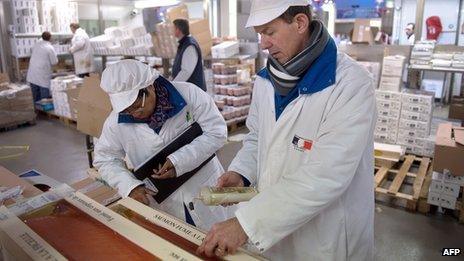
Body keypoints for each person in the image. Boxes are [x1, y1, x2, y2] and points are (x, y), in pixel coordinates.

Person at [197, 1, 376, 260]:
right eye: (260, 34)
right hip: (275, 230)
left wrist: (247, 224)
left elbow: (326, 174)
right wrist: (241, 172)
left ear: (300, 23)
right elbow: (257, 137)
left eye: (269, 32)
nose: (263, 44)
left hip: (326, 236)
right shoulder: (265, 80)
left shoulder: (351, 85)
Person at [93, 59, 230, 230]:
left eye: (136, 106)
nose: (134, 114)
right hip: (165, 202)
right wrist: (130, 186)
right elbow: (105, 159)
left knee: (222, 243)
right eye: (126, 110)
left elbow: (217, 133)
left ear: (149, 87)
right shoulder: (115, 122)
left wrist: (179, 161)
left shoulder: (190, 94)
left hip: (204, 186)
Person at [172, 19, 207, 91]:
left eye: (173, 28)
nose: (171, 31)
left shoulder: (190, 46)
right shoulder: (183, 44)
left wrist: (172, 85)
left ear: (178, 30)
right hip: (188, 89)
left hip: (194, 91)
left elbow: (186, 71)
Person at [26, 31, 58, 102]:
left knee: (36, 98)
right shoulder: (49, 48)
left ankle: (37, 112)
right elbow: (54, 62)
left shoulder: (37, 44)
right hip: (42, 76)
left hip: (32, 75)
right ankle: (44, 112)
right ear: (50, 38)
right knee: (44, 100)